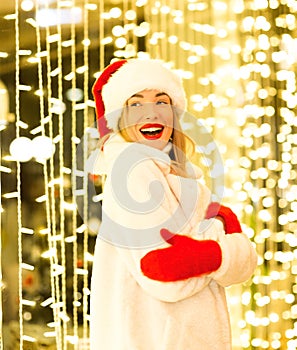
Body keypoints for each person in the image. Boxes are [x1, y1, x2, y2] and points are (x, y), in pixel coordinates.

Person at [88, 58, 257, 350]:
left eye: (161, 101)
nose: (151, 112)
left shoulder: (180, 175)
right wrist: (225, 247)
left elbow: (236, 267)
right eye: (136, 104)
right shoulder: (133, 171)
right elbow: (163, 271)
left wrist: (208, 248)